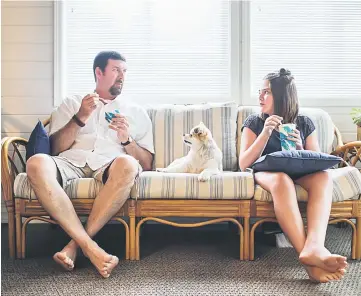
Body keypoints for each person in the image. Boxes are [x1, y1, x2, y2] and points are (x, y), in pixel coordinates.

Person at [26, 51, 154, 278]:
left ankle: (75, 246)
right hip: (70, 162)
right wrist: (80, 117)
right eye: (116, 70)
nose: (122, 76)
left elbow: (147, 164)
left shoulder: (136, 112)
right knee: (36, 162)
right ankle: (92, 248)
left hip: (108, 165)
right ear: (99, 72)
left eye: (124, 71)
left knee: (128, 164)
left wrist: (127, 139)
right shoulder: (72, 103)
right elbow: (54, 149)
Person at [238, 68, 347, 283]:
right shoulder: (254, 122)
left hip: (299, 170)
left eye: (266, 92)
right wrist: (265, 133)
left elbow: (317, 160)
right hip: (267, 172)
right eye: (260, 91)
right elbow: (244, 164)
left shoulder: (304, 122)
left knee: (323, 178)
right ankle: (308, 260)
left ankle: (315, 245)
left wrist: (299, 145)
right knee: (281, 180)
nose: (260, 96)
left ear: (281, 96)